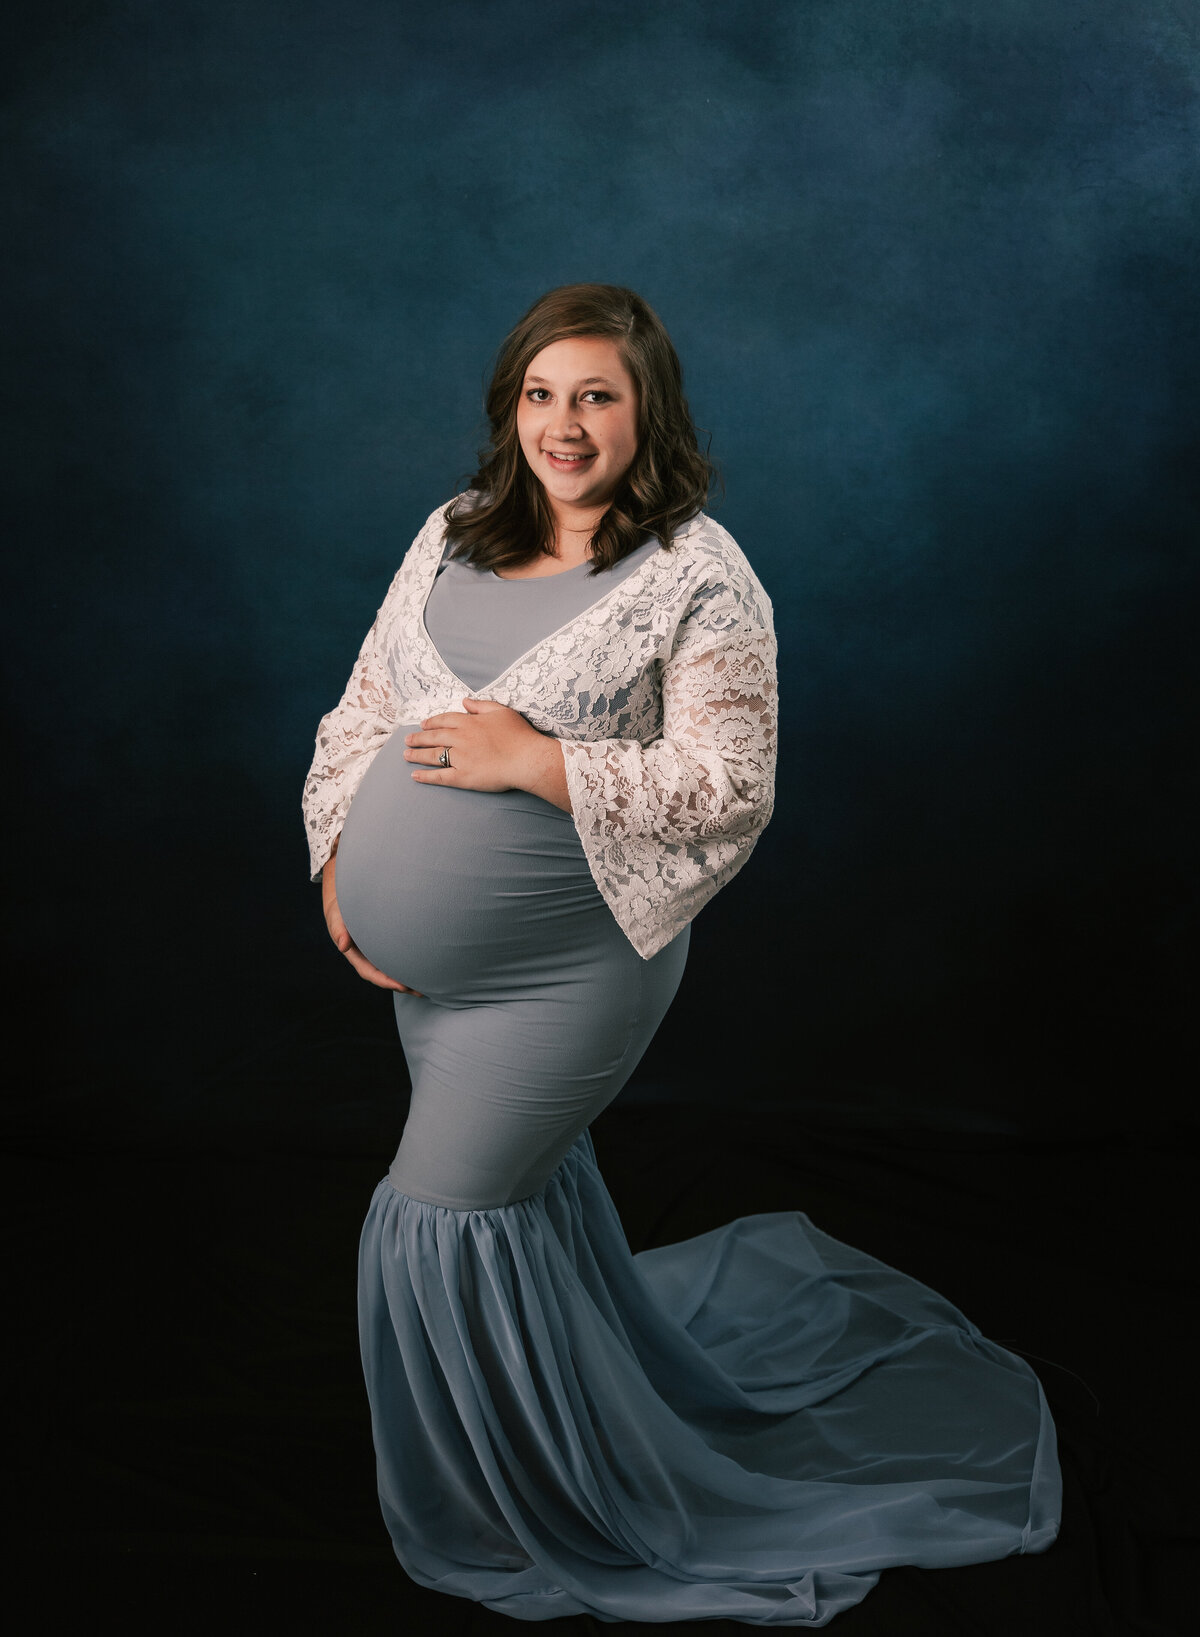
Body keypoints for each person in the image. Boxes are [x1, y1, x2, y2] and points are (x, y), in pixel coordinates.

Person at [302, 284, 1060, 1625]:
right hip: (432, 976)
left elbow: (730, 782)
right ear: (510, 408)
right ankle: (554, 1430)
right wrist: (336, 869)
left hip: (567, 975)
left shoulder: (701, 573)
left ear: (645, 407)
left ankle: (521, 1505)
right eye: (541, 394)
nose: (565, 424)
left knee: (439, 1213)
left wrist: (535, 761)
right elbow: (362, 705)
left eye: (596, 394)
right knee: (510, 1205)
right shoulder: (450, 534)